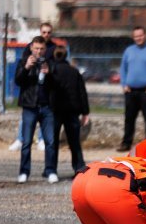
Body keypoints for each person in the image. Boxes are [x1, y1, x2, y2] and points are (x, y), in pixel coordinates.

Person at [14, 35, 59, 184]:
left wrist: (50, 74)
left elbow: (58, 85)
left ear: (45, 49)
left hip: (47, 108)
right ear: (31, 48)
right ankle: (24, 172)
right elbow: (18, 81)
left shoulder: (51, 63)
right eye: (36, 48)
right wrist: (26, 67)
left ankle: (50, 170)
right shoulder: (24, 61)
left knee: (50, 142)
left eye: (41, 49)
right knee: (26, 142)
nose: (39, 52)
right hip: (30, 107)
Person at [9, 23, 56, 152]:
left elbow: (56, 66)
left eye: (48, 32)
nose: (46, 35)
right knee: (27, 116)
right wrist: (29, 65)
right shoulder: (31, 46)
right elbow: (24, 63)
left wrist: (49, 69)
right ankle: (20, 139)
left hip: (45, 89)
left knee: (45, 116)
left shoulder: (53, 48)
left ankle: (41, 140)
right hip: (31, 87)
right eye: (44, 32)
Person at [117, 26, 146, 152]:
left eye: (140, 35)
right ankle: (126, 143)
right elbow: (123, 68)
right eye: (136, 36)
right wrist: (124, 84)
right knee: (129, 119)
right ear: (133, 37)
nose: (138, 38)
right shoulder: (129, 50)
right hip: (130, 90)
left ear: (145, 35)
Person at [51, 45, 90, 177]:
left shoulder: (53, 71)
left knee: (53, 142)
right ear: (66, 55)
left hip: (55, 110)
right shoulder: (74, 71)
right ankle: (79, 167)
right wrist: (85, 112)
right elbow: (82, 93)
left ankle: (51, 170)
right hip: (72, 111)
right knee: (74, 142)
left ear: (55, 56)